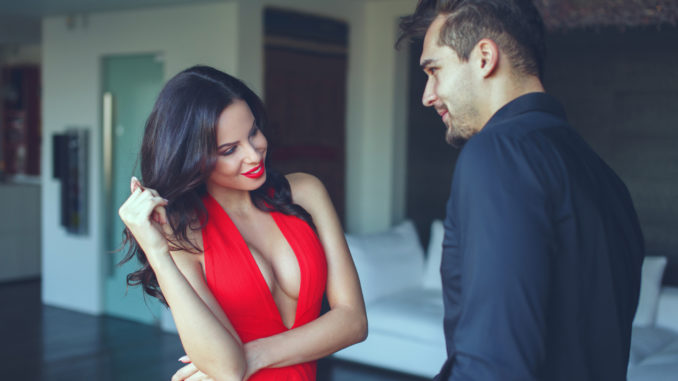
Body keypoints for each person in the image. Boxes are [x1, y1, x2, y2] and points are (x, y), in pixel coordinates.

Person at [398, 1, 644, 380]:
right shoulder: (607, 180)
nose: (427, 95)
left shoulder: (497, 153)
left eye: (435, 70)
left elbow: (495, 364)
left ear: (484, 57)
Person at [118, 65, 367, 381]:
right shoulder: (184, 234)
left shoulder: (306, 192)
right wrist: (157, 254)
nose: (253, 154)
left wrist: (253, 354)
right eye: (229, 149)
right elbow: (227, 369)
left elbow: (353, 321)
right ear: (194, 158)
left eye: (253, 132)